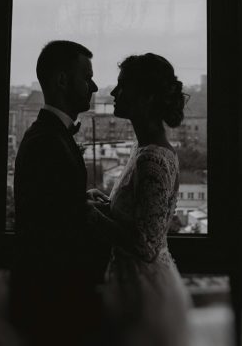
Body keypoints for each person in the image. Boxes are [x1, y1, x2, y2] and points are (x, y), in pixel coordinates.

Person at [11, 40, 110, 346]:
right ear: (62, 80)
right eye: (86, 76)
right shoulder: (48, 141)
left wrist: (79, 200)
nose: (93, 86)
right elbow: (53, 231)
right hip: (54, 298)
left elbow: (49, 205)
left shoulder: (48, 134)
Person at [89, 53, 191, 346]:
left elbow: (146, 244)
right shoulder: (142, 147)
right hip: (131, 282)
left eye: (122, 86)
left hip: (143, 292)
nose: (113, 93)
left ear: (146, 96)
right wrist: (106, 205)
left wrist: (91, 214)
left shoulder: (153, 159)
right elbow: (140, 217)